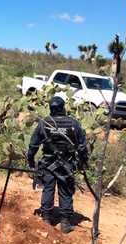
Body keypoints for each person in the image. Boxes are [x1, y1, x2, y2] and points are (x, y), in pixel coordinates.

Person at [26, 96, 88, 234]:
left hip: (48, 164)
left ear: (50, 108)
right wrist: (83, 163)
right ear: (63, 107)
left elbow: (33, 145)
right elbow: (83, 146)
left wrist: (30, 161)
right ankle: (65, 222)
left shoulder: (44, 124)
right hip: (67, 164)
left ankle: (47, 218)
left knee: (48, 188)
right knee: (65, 190)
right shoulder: (74, 124)